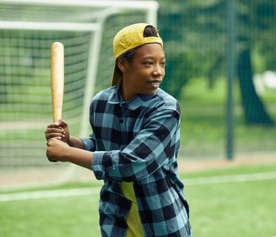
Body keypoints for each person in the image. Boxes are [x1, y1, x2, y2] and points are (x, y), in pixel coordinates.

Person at [45, 23, 192, 237]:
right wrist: (71, 142)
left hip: (161, 221)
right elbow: (100, 145)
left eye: (162, 63)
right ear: (123, 63)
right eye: (148, 63)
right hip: (116, 220)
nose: (158, 72)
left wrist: (66, 153)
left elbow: (133, 163)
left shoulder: (166, 109)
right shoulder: (101, 102)